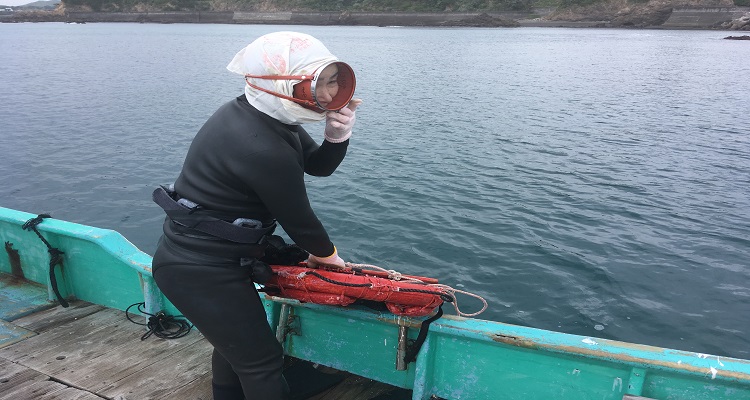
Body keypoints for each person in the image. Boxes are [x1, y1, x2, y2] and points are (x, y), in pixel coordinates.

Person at [151, 31, 362, 400]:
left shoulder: (262, 115)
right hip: (199, 269)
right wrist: (327, 257)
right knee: (262, 362)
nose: (327, 96)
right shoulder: (259, 145)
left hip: (212, 260)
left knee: (236, 350)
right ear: (278, 84)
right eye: (316, 85)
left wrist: (336, 136)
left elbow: (316, 166)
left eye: (332, 82)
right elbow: (299, 219)